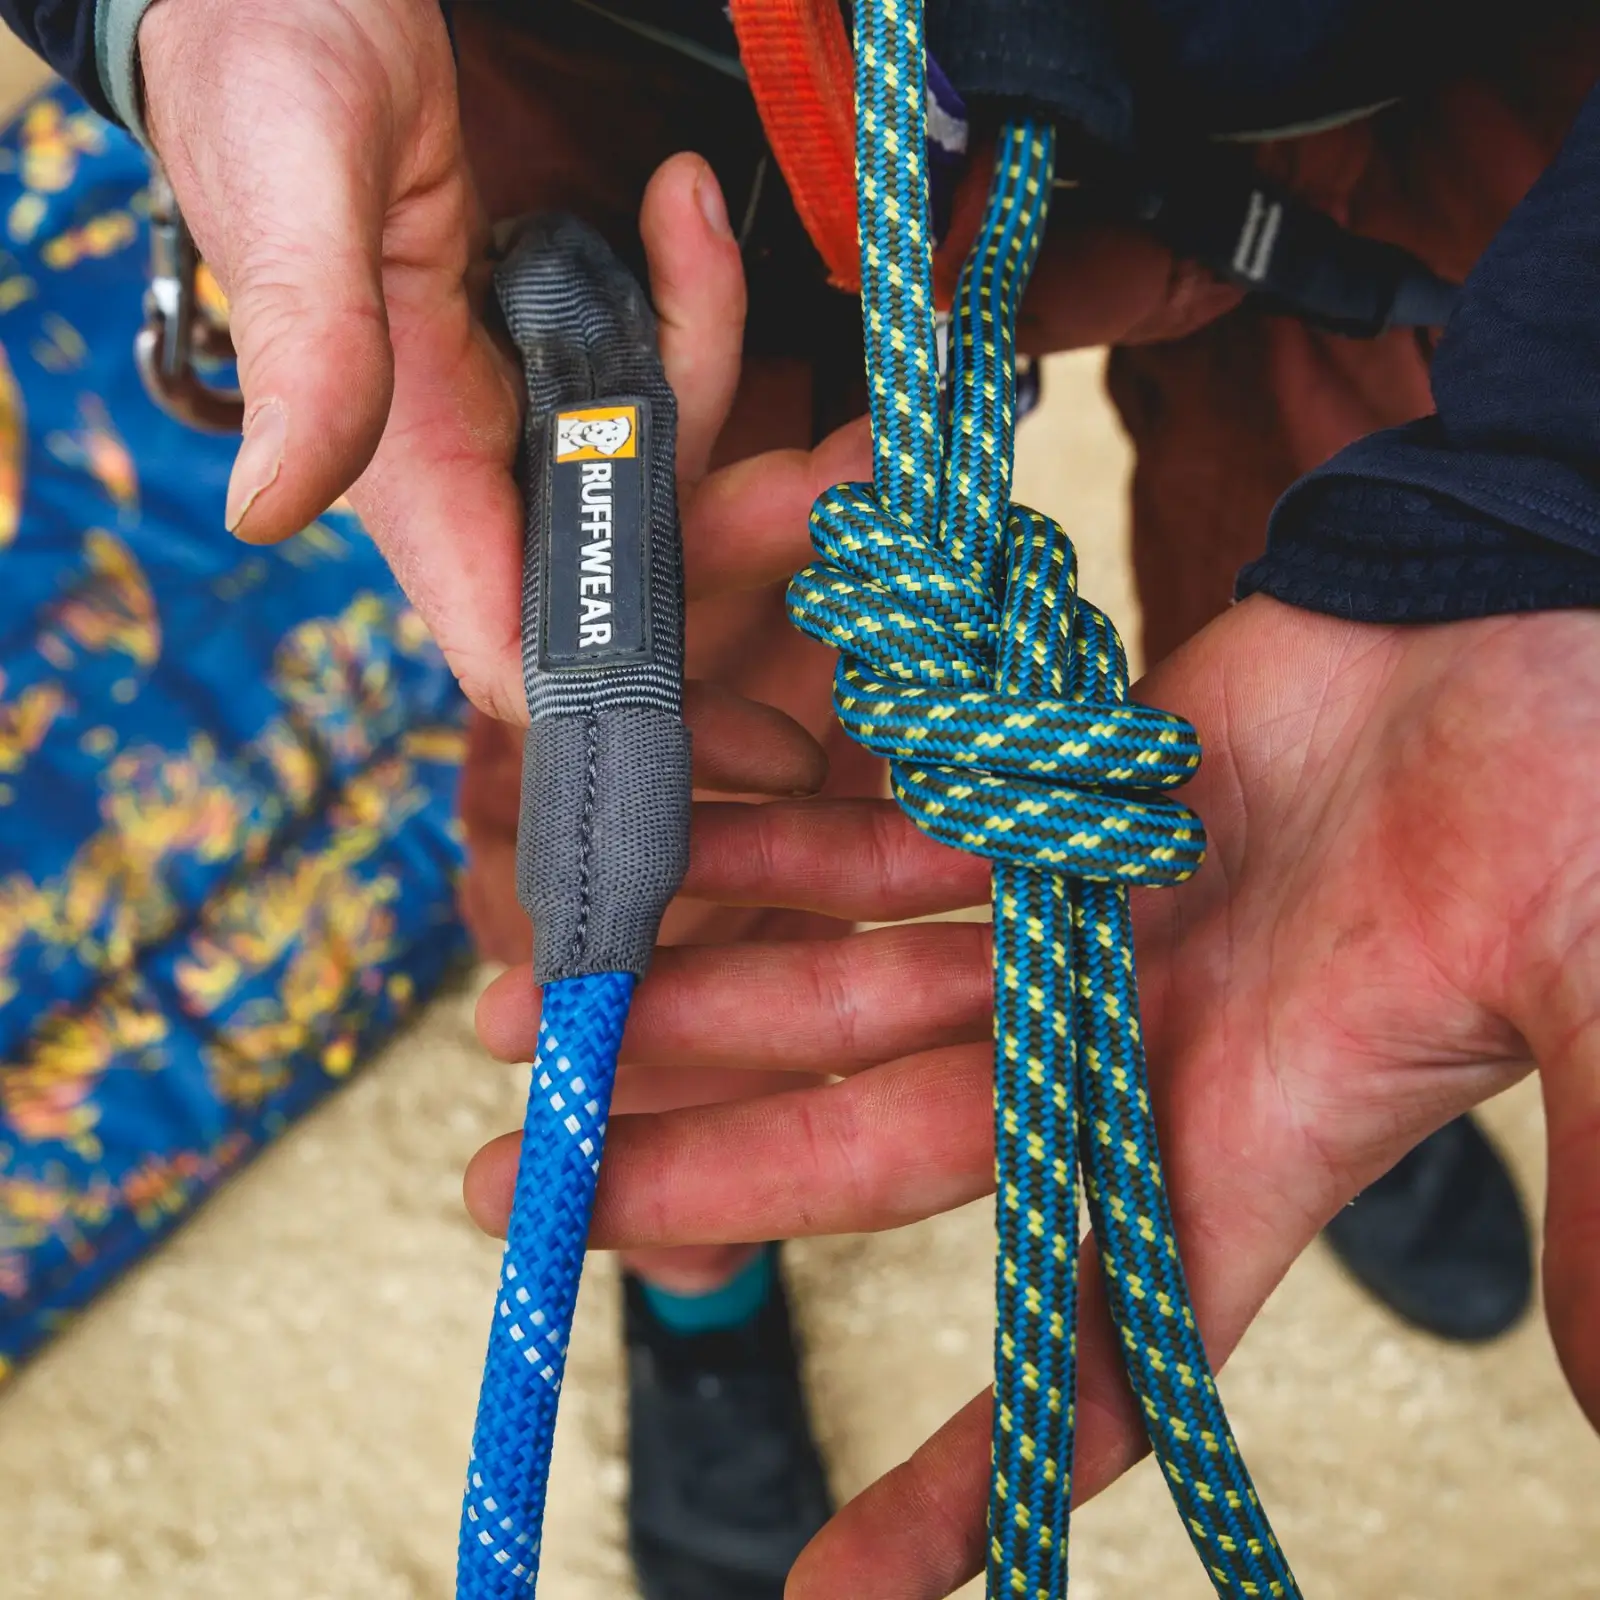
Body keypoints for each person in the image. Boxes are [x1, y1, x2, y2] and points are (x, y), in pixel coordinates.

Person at [3, 2, 1599, 1597]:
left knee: (1338, 620)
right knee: (676, 809)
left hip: (1419, 104)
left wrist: (1560, 478)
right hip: (678, 94)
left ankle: (1296, 1031)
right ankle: (696, 1284)